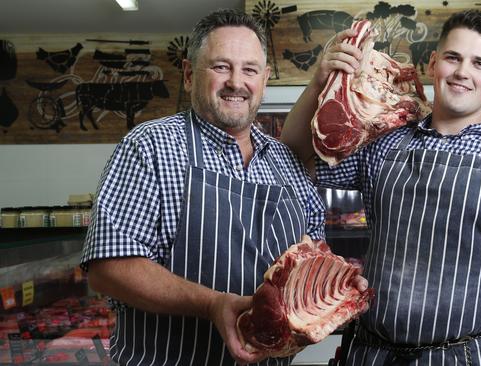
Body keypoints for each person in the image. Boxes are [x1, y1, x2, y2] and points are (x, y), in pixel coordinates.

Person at [281, 9, 481, 365]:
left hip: (469, 356)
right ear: (432, 63)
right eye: (453, 58)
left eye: (479, 63)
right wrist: (320, 81)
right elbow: (293, 154)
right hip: (372, 354)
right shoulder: (383, 143)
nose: (462, 72)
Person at [80, 9, 327, 366]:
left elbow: (313, 261)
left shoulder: (286, 161)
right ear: (187, 74)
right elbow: (108, 267)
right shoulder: (150, 146)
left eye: (249, 69)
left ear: (265, 79)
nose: (236, 82)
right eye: (221, 67)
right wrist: (211, 304)